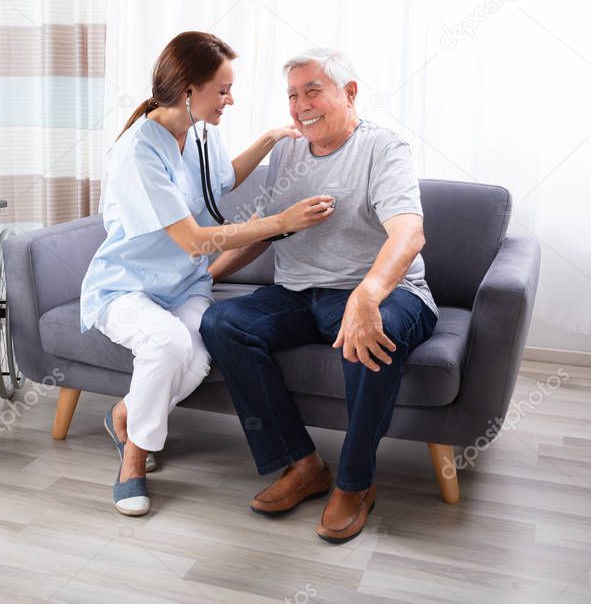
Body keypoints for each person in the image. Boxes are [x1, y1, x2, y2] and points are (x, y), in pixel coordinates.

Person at [80, 32, 336, 516]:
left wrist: (269, 139)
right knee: (168, 345)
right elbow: (195, 239)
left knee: (197, 362)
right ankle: (133, 457)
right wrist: (281, 222)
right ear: (188, 89)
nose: (230, 99)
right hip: (127, 286)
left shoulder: (200, 133)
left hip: (184, 286)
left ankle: (125, 414)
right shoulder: (139, 152)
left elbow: (221, 181)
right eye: (222, 90)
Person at [201, 48, 438, 543]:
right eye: (292, 95)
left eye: (313, 91)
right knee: (222, 323)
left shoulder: (383, 148)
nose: (301, 105)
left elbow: (408, 234)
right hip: (300, 294)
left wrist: (368, 295)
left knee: (374, 333)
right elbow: (266, 233)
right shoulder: (288, 150)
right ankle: (303, 464)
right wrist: (203, 279)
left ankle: (355, 483)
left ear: (348, 93)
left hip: (388, 294)